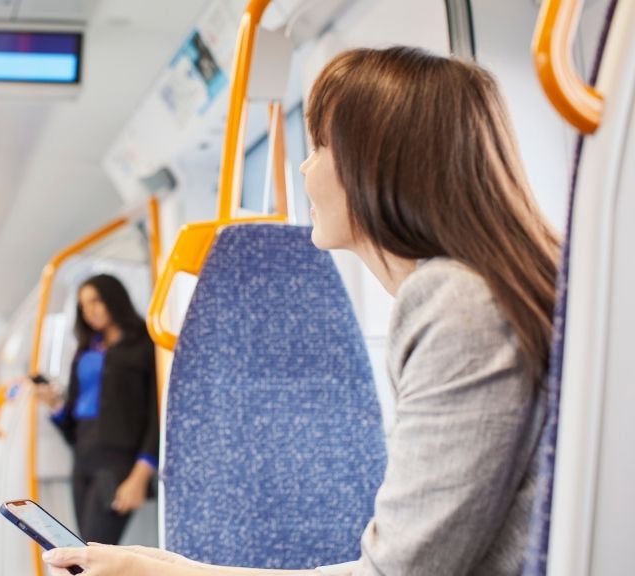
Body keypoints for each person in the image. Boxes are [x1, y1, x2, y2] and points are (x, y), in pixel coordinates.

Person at [43, 46, 559, 576]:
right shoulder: (481, 294)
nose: (306, 169)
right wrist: (165, 568)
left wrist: (162, 574)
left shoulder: (455, 304)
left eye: (319, 148)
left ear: (371, 163)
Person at [32, 273, 159, 545]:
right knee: (85, 550)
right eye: (83, 306)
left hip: (117, 465)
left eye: (95, 301)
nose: (89, 311)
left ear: (114, 298)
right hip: (82, 464)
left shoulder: (143, 346)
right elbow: (73, 429)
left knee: (92, 554)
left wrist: (139, 476)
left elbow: (157, 416)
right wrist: (55, 406)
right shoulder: (84, 352)